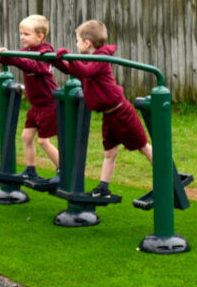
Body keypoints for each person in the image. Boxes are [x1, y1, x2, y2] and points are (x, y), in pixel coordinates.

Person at [51, 20, 152, 199]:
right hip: (109, 115)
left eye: (77, 40)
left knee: (142, 146)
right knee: (110, 152)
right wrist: (56, 60)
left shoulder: (101, 58)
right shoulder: (88, 60)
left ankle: (167, 175)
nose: (76, 44)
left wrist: (69, 56)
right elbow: (74, 70)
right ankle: (103, 188)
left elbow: (86, 71)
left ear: (87, 43)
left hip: (122, 113)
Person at [0, 14, 60, 182]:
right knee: (26, 137)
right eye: (21, 33)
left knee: (43, 141)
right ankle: (30, 171)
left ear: (40, 36)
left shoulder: (46, 52)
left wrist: (13, 57)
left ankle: (64, 171)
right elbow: (9, 57)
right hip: (36, 106)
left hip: (49, 105)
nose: (22, 37)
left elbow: (34, 65)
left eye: (26, 34)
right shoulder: (26, 52)